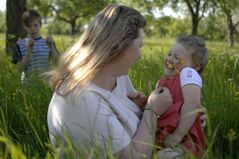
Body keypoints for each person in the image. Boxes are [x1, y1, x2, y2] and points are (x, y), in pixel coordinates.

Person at [46, 4, 206, 159]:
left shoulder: (116, 74)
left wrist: (182, 116)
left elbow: (135, 120)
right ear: (119, 47)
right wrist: (152, 110)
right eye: (139, 47)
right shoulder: (82, 98)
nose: (140, 55)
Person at [130, 35, 208, 158]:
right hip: (165, 137)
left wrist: (177, 135)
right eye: (169, 54)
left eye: (177, 58)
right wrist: (145, 103)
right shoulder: (161, 82)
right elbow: (160, 109)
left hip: (185, 139)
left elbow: (192, 104)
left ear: (195, 67)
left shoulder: (188, 73)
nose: (170, 59)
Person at [12, 9, 59, 82]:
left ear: (40, 25)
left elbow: (57, 63)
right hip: (27, 85)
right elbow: (19, 69)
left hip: (45, 84)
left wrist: (51, 47)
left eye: (35, 25)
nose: (32, 29)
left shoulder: (48, 42)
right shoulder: (20, 44)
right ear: (24, 27)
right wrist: (28, 52)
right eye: (29, 26)